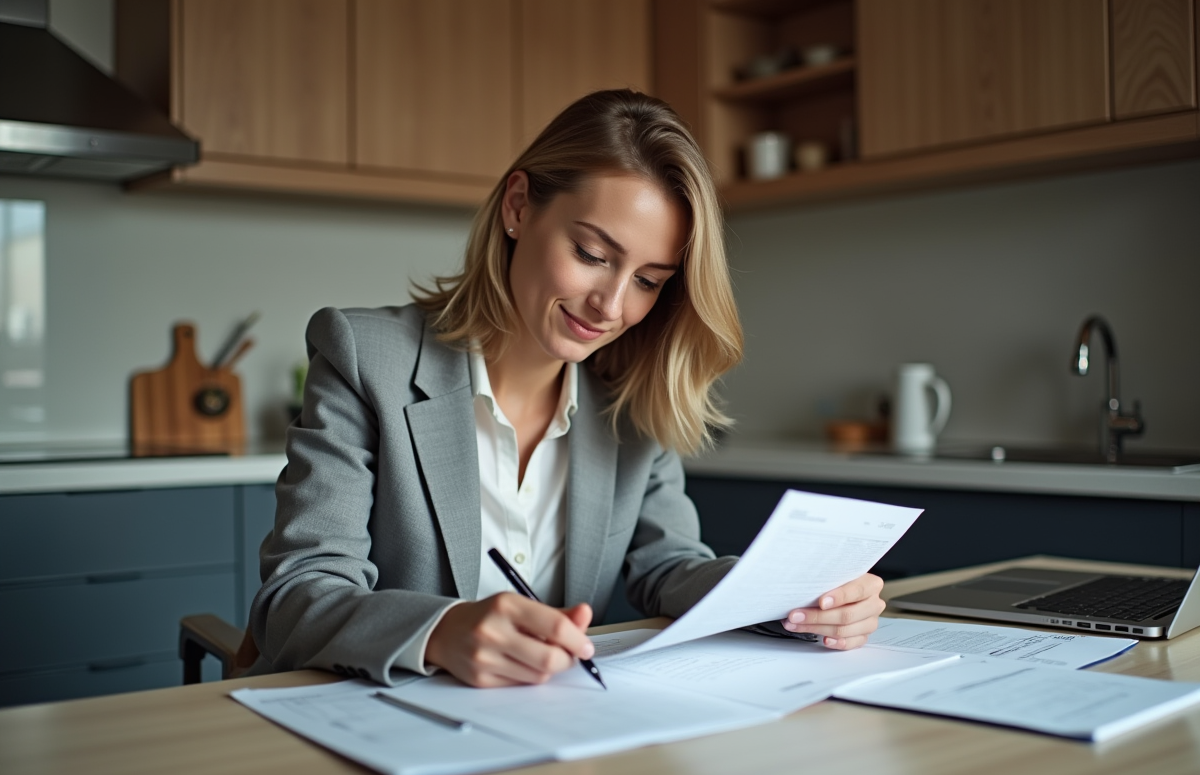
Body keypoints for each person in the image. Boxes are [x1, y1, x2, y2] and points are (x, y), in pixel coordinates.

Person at [246, 89, 885, 689]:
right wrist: (442, 631)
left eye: (648, 280)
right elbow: (298, 596)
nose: (612, 305)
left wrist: (792, 600)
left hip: (554, 723)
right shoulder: (365, 358)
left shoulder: (630, 400)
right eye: (592, 254)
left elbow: (669, 567)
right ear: (518, 207)